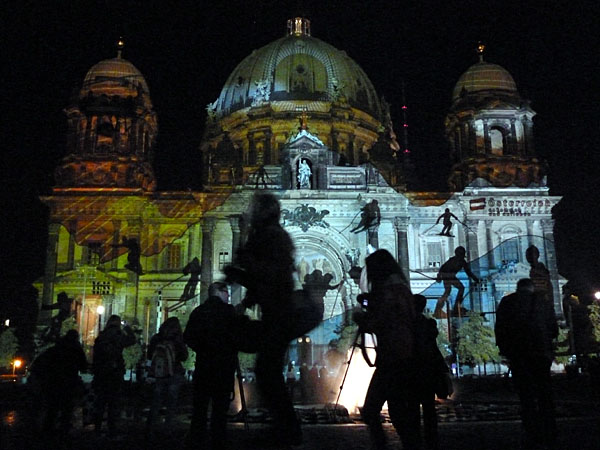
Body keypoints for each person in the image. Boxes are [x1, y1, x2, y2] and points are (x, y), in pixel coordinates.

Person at [225, 192, 303, 446]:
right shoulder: (272, 235)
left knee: (267, 371)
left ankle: (287, 429)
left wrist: (240, 272)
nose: (249, 212)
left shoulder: (269, 237)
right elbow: (266, 280)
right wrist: (247, 295)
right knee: (267, 371)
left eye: (253, 209)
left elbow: (269, 277)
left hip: (278, 311)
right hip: (278, 309)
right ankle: (286, 427)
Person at [353, 249, 421, 450]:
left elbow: (380, 321)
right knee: (397, 410)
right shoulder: (402, 288)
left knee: (373, 409)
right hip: (403, 354)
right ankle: (411, 444)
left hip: (393, 356)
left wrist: (361, 318)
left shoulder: (387, 291)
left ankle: (392, 445)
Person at [495, 278, 559, 450]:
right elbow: (554, 329)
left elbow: (499, 328)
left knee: (526, 395)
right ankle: (550, 429)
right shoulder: (543, 303)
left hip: (519, 354)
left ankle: (531, 430)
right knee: (544, 392)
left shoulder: (507, 302)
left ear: (517, 288)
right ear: (531, 288)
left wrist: (505, 350)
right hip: (540, 354)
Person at [184, 281, 248, 450]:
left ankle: (197, 440)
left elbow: (189, 337)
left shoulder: (199, 312)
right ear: (218, 292)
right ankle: (218, 441)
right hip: (223, 367)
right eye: (226, 292)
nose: (228, 295)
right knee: (220, 410)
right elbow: (239, 337)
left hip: (204, 366)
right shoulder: (228, 312)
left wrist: (203, 348)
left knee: (200, 408)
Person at [29, 329, 87, 443]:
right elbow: (83, 366)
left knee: (53, 409)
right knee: (66, 410)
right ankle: (63, 434)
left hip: (53, 383)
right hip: (68, 383)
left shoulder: (55, 349)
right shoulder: (76, 350)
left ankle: (47, 434)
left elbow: (39, 363)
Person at [413, 294, 449, 450]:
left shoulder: (409, 325)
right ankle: (431, 438)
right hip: (428, 370)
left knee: (414, 406)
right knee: (428, 408)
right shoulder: (429, 324)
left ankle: (416, 438)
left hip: (414, 370)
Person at [92, 315, 136, 437]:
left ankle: (97, 428)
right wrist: (127, 327)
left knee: (100, 401)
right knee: (113, 402)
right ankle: (112, 429)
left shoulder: (102, 336)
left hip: (102, 372)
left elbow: (96, 354)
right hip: (114, 372)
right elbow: (132, 340)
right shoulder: (118, 336)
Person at [146, 317, 188, 431]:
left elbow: (149, 355)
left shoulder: (157, 338)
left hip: (159, 373)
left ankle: (151, 428)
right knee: (172, 402)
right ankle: (168, 428)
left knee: (156, 400)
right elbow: (184, 356)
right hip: (175, 372)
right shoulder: (178, 339)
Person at [434, 246, 480, 318]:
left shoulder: (460, 261)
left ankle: (452, 307)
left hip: (449, 276)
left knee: (450, 291)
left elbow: (468, 272)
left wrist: (475, 279)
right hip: (448, 276)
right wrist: (439, 277)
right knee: (455, 289)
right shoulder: (455, 260)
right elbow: (443, 267)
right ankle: (453, 307)